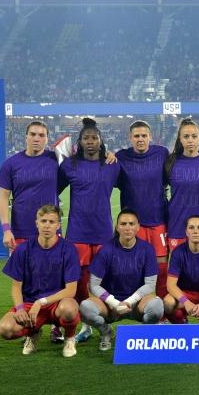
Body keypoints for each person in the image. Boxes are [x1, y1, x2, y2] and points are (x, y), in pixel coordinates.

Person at [57, 118, 120, 343]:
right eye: (86, 138)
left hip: (103, 232)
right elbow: (52, 189)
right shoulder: (69, 166)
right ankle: (84, 325)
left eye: (94, 138)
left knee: (101, 281)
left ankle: (103, 322)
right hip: (77, 233)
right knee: (79, 282)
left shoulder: (112, 165)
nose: (90, 142)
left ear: (101, 140)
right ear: (80, 142)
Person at [0, 205, 80, 358]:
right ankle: (33, 333)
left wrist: (41, 302)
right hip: (29, 304)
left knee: (69, 308)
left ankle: (69, 337)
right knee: (5, 329)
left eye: (52, 221)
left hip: (57, 304)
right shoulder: (22, 250)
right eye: (43, 221)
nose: (47, 225)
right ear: (37, 223)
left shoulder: (69, 249)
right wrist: (20, 308)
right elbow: (16, 287)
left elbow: (71, 290)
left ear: (58, 225)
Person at [79, 210, 164, 351]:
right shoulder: (106, 250)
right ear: (117, 227)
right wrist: (114, 303)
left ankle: (144, 334)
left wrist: (129, 302)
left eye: (131, 224)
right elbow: (93, 285)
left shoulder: (147, 249)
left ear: (138, 227)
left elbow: (150, 285)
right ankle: (106, 332)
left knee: (157, 307)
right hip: (110, 306)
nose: (127, 227)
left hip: (137, 304)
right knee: (85, 308)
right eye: (123, 224)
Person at [116, 120, 170, 297]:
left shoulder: (162, 153)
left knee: (161, 265)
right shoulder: (121, 157)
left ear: (150, 137)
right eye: (136, 136)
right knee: (135, 265)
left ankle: (162, 307)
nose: (140, 139)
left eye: (144, 135)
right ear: (130, 138)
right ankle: (137, 303)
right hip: (133, 224)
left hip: (158, 220)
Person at [0, 121, 58, 251]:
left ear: (47, 139)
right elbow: (3, 197)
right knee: (21, 271)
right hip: (20, 231)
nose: (36, 138)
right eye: (33, 134)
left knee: (51, 271)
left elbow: (83, 160)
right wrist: (6, 230)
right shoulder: (11, 164)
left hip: (50, 231)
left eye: (41, 135)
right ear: (26, 137)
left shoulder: (56, 160)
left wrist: (106, 154)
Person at [165, 118, 199, 249]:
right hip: (177, 225)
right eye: (186, 136)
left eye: (194, 136)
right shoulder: (170, 162)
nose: (190, 140)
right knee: (179, 268)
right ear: (180, 139)